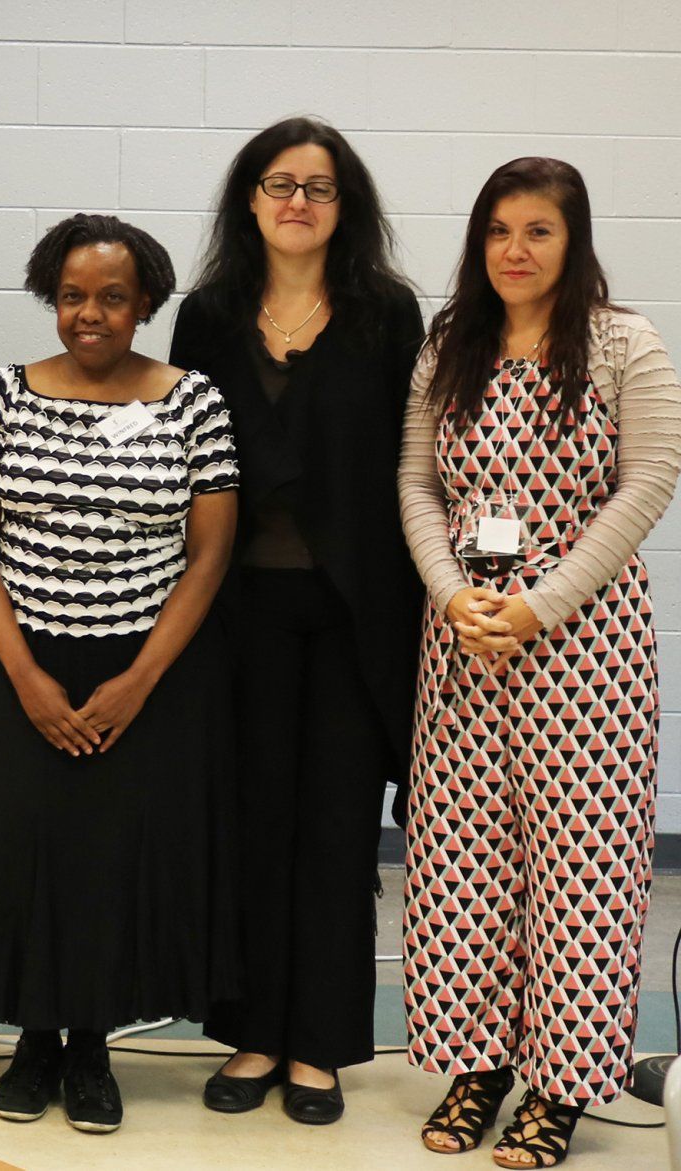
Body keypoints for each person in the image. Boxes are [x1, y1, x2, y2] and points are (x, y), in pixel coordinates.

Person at [0, 214, 240, 1135]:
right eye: (71, 295)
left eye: (110, 296)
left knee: (108, 859)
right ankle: (31, 1040)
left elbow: (208, 555)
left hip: (147, 671)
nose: (89, 314)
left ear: (146, 302)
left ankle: (92, 1048)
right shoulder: (6, 395)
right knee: (24, 850)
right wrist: (22, 673)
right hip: (16, 664)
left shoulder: (194, 401)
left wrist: (139, 679)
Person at [399, 157, 678, 1169]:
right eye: (499, 230)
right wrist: (450, 591)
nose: (515, 250)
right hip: (466, 641)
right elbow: (417, 480)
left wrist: (541, 605)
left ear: (575, 241)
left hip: (586, 647)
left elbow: (648, 481)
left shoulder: (621, 343)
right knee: (462, 865)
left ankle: (560, 1086)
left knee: (582, 871)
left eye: (539, 232)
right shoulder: (450, 343)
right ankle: (478, 1066)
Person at [168, 117, 426, 1125]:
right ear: (249, 199)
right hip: (238, 614)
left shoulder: (387, 315)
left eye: (319, 187)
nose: (298, 202)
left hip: (359, 610)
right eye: (279, 183)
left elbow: (411, 467)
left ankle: (318, 1045)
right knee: (251, 822)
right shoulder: (210, 316)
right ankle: (256, 1033)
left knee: (334, 829)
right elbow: (190, 465)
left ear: (345, 206)